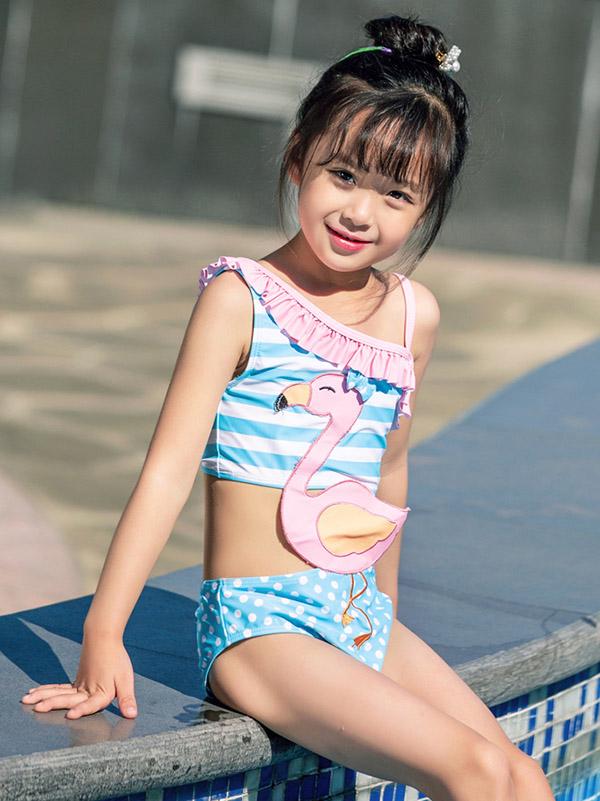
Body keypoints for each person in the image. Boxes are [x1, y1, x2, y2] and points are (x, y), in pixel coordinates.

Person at [21, 13, 555, 801]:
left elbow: (390, 470)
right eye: (343, 175)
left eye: (396, 194)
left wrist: (384, 616)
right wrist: (104, 631)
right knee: (472, 771)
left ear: (426, 207)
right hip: (259, 628)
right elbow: (167, 472)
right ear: (300, 158)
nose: (360, 212)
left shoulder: (415, 316)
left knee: (520, 773)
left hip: (357, 612)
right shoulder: (242, 299)